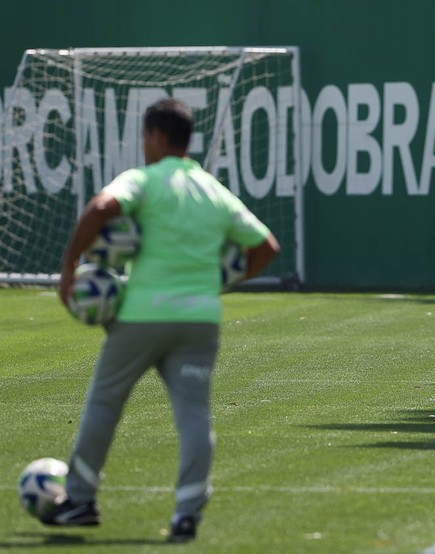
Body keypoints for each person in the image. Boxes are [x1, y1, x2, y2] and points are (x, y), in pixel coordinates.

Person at [47, 98, 280, 542]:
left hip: (141, 316)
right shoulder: (213, 189)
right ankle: (187, 514)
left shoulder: (145, 179)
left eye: (144, 136)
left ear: (154, 136)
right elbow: (266, 246)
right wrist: (223, 282)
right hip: (200, 321)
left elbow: (100, 208)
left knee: (104, 404)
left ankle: (78, 501)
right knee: (193, 416)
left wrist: (69, 265)